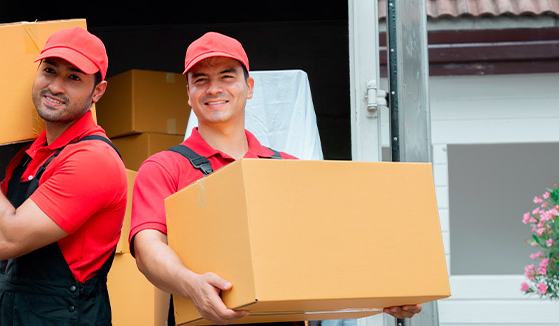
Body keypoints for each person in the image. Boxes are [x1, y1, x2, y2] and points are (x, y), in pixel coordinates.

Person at [129, 31, 423, 325]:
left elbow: (327, 249)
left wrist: (385, 290)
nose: (213, 89)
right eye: (201, 80)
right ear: (189, 93)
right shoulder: (164, 167)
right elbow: (148, 248)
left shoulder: (288, 169)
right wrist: (191, 284)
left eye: (226, 77)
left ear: (250, 87)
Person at [0, 27, 127, 325]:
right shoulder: (28, 158)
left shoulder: (93, 160)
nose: (55, 86)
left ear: (98, 91)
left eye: (74, 78)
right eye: (49, 71)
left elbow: (4, 242)